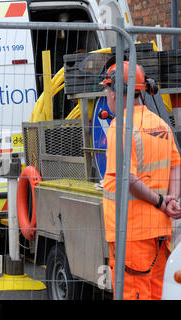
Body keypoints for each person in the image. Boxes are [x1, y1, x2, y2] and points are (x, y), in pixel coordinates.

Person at [100, 61, 181, 300]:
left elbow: (127, 178)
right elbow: (176, 165)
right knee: (157, 293)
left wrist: (159, 201)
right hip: (159, 233)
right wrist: (172, 200)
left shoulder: (120, 128)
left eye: (107, 90)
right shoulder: (161, 125)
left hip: (131, 233)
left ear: (115, 92)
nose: (107, 96)